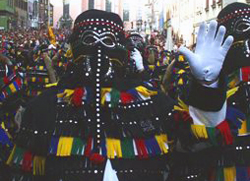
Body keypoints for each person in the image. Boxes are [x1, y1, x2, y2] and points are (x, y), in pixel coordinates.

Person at [3, 7, 246, 181]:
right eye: (89, 39)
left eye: (108, 40)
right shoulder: (44, 106)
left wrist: (207, 86)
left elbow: (196, 144)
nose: (98, 49)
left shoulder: (153, 101)